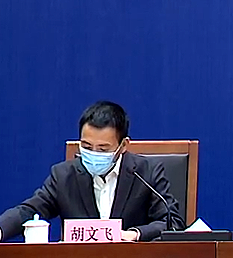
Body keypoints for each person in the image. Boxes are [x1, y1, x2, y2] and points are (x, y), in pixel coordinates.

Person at [0, 101, 182, 242]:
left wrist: (134, 234)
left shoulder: (146, 172)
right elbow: (29, 211)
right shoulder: (64, 176)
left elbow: (172, 223)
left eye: (103, 149)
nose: (94, 154)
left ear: (123, 145)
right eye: (87, 147)